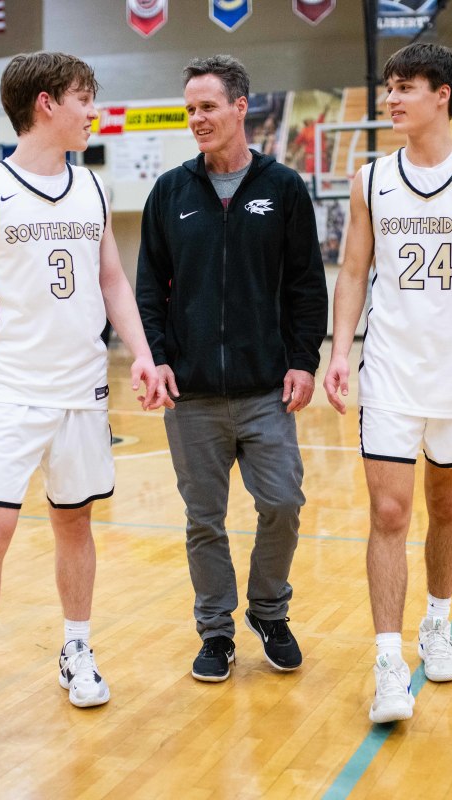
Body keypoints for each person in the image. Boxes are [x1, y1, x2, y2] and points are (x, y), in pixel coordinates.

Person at [0, 51, 164, 754]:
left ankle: (76, 649)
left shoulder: (91, 189)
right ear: (46, 105)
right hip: (11, 390)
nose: (96, 111)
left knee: (75, 525)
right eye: (86, 99)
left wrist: (143, 355)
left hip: (82, 390)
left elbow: (115, 282)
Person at [322, 42, 452, 724]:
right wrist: (340, 349)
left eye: (405, 86)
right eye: (388, 87)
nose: (391, 98)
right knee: (388, 513)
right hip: (389, 370)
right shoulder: (369, 179)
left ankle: (437, 624)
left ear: (443, 94)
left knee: (446, 506)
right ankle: (387, 663)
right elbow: (353, 270)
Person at [136, 54, 327, 684]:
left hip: (266, 390)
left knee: (283, 504)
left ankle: (269, 612)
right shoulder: (169, 192)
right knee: (204, 521)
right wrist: (158, 357)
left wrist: (304, 359)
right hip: (190, 396)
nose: (197, 119)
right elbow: (148, 291)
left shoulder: (283, 188)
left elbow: (305, 284)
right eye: (190, 108)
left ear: (241, 107)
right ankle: (216, 632)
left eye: (208, 106)